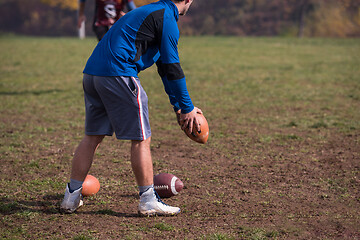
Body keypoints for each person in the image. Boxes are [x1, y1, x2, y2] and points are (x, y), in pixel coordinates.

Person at [60, 0, 202, 216]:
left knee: (92, 137)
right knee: (141, 139)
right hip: (119, 73)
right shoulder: (167, 18)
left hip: (92, 73)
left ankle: (71, 198)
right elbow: (173, 67)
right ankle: (148, 200)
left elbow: (164, 67)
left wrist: (179, 107)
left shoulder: (150, 11)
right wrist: (189, 107)